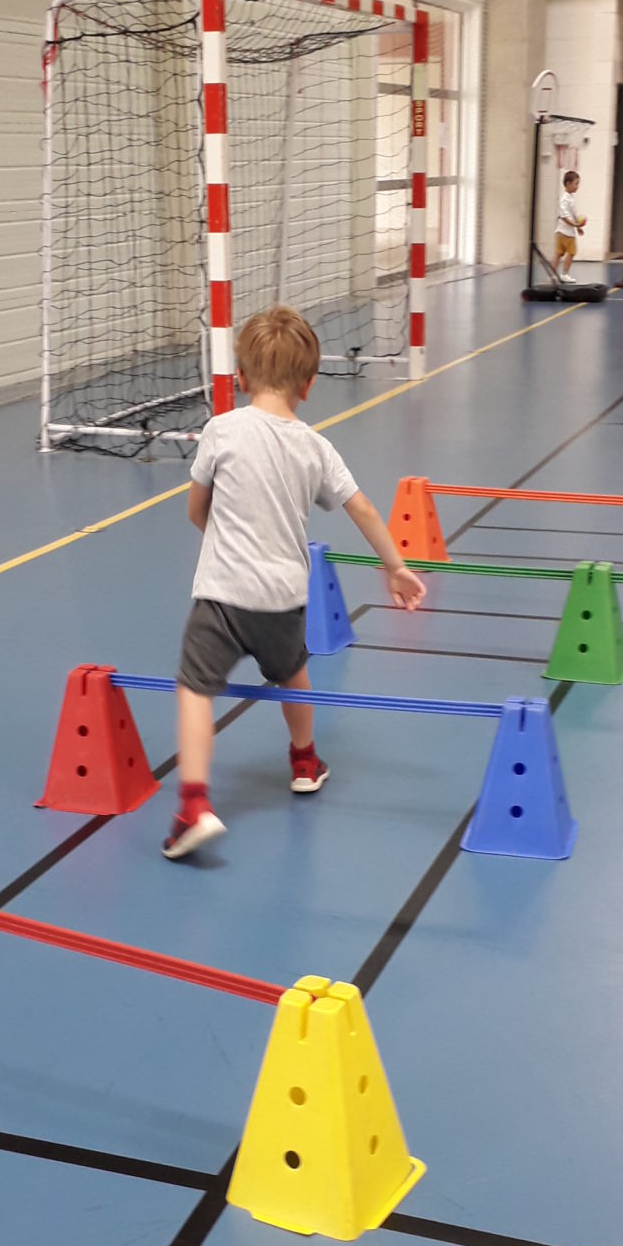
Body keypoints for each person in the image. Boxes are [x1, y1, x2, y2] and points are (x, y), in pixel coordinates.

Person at [163, 305, 426, 861]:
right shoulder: (315, 447)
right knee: (291, 673)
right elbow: (362, 507)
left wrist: (226, 537)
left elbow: (195, 510)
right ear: (309, 385)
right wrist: (396, 566)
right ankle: (304, 760)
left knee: (195, 687)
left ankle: (193, 804)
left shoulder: (220, 429)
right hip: (282, 600)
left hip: (222, 594)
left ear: (240, 377)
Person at [554, 169, 586, 279]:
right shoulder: (564, 199)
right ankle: (564, 274)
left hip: (564, 231)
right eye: (576, 183)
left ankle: (552, 274)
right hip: (565, 232)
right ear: (568, 184)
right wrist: (575, 225)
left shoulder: (570, 198)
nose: (577, 186)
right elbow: (564, 216)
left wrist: (577, 227)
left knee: (559, 253)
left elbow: (572, 214)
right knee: (571, 252)